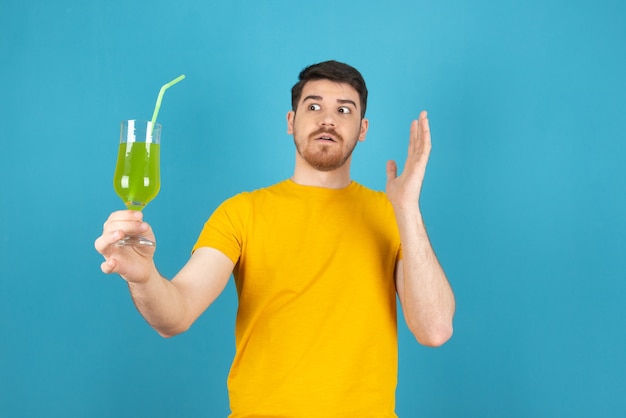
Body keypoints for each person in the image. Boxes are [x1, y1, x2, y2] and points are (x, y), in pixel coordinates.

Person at [95, 60, 455, 418]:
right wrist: (142, 276)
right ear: (290, 121)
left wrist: (407, 208)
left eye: (343, 110)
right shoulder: (243, 213)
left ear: (362, 129)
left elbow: (435, 329)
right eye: (313, 106)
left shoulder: (392, 216)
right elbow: (175, 315)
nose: (327, 119)